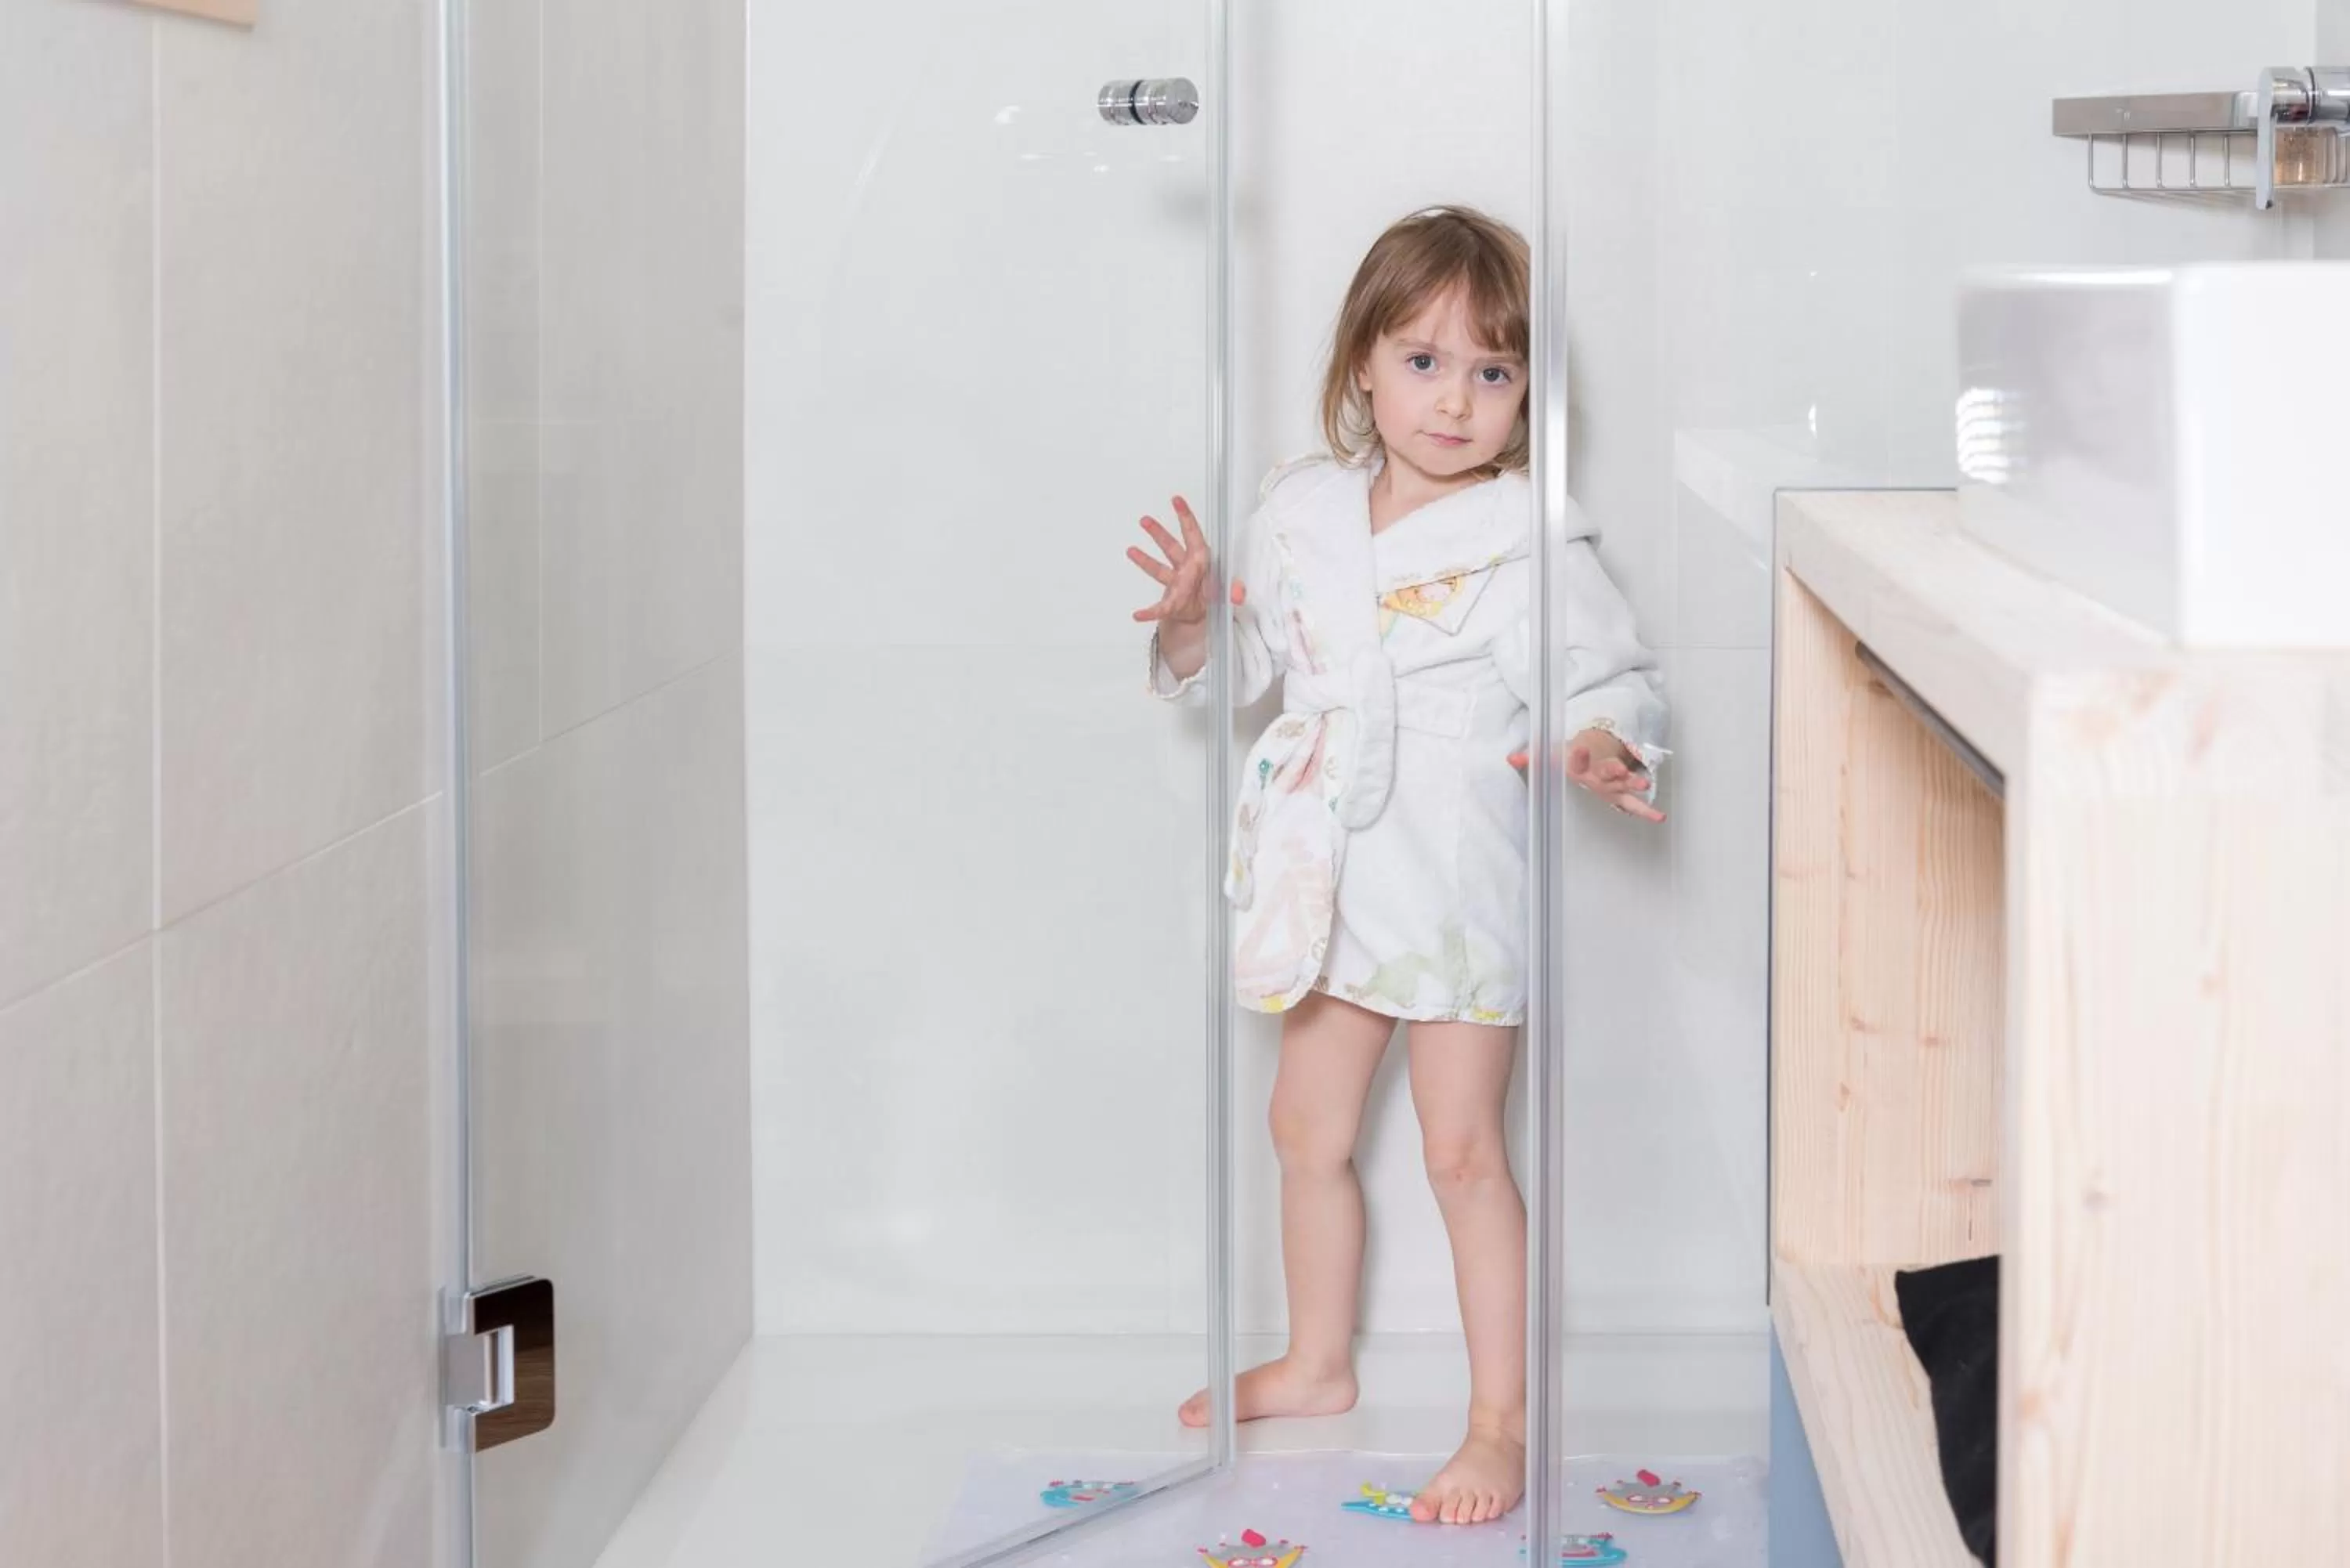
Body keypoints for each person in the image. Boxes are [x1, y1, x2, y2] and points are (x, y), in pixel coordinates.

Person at [1125, 206, 1666, 1526]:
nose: (1456, 399)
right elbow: (1240, 678)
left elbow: (1606, 675)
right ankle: (1318, 1362)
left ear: (1528, 392)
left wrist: (1599, 742)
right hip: (1329, 867)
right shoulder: (1299, 510)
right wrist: (1199, 621)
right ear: (1361, 362)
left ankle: (1499, 1422)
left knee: (1464, 1150)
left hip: (1452, 874)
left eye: (1493, 372)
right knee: (1303, 1130)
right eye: (1423, 361)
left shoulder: (1528, 537)